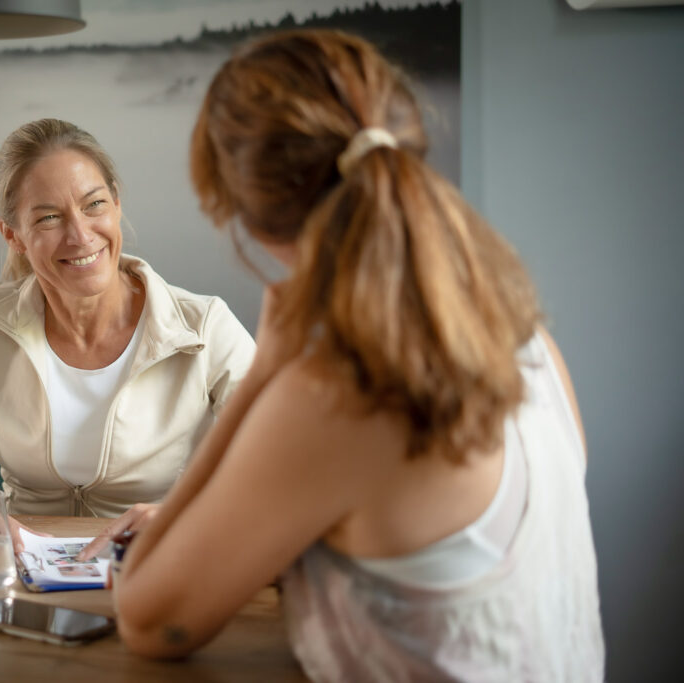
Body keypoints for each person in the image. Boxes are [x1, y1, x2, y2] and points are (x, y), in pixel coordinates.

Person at [113, 30, 605, 681]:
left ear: (252, 219)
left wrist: (266, 373)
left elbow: (148, 618)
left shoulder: (339, 396)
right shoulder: (526, 343)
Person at [0, 118, 255, 548]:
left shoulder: (205, 328)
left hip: (160, 567)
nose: (80, 235)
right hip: (21, 575)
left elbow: (286, 461)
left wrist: (188, 515)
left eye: (94, 205)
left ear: (116, 202)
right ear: (13, 235)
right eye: (50, 218)